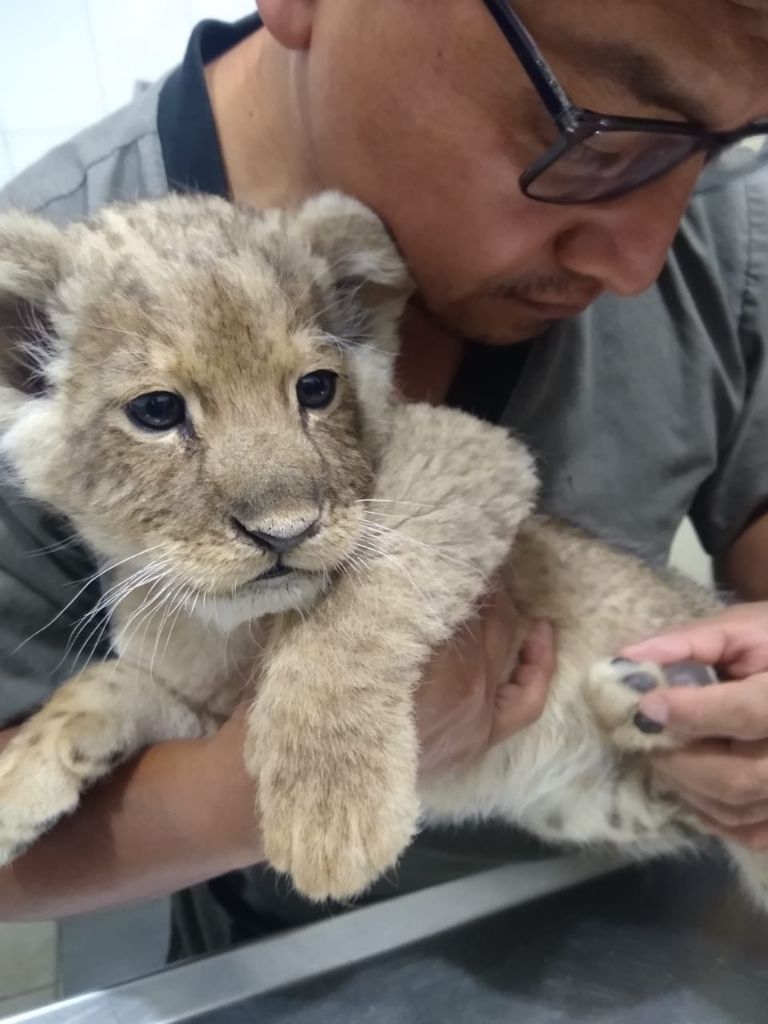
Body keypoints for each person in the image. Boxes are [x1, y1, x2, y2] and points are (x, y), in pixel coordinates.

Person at [1, 0, 768, 956]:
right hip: (290, 953)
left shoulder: (728, 224)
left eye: (735, 137)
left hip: (640, 911)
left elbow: (472, 470)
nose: (641, 260)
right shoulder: (44, 287)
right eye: (585, 128)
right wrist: (291, 765)